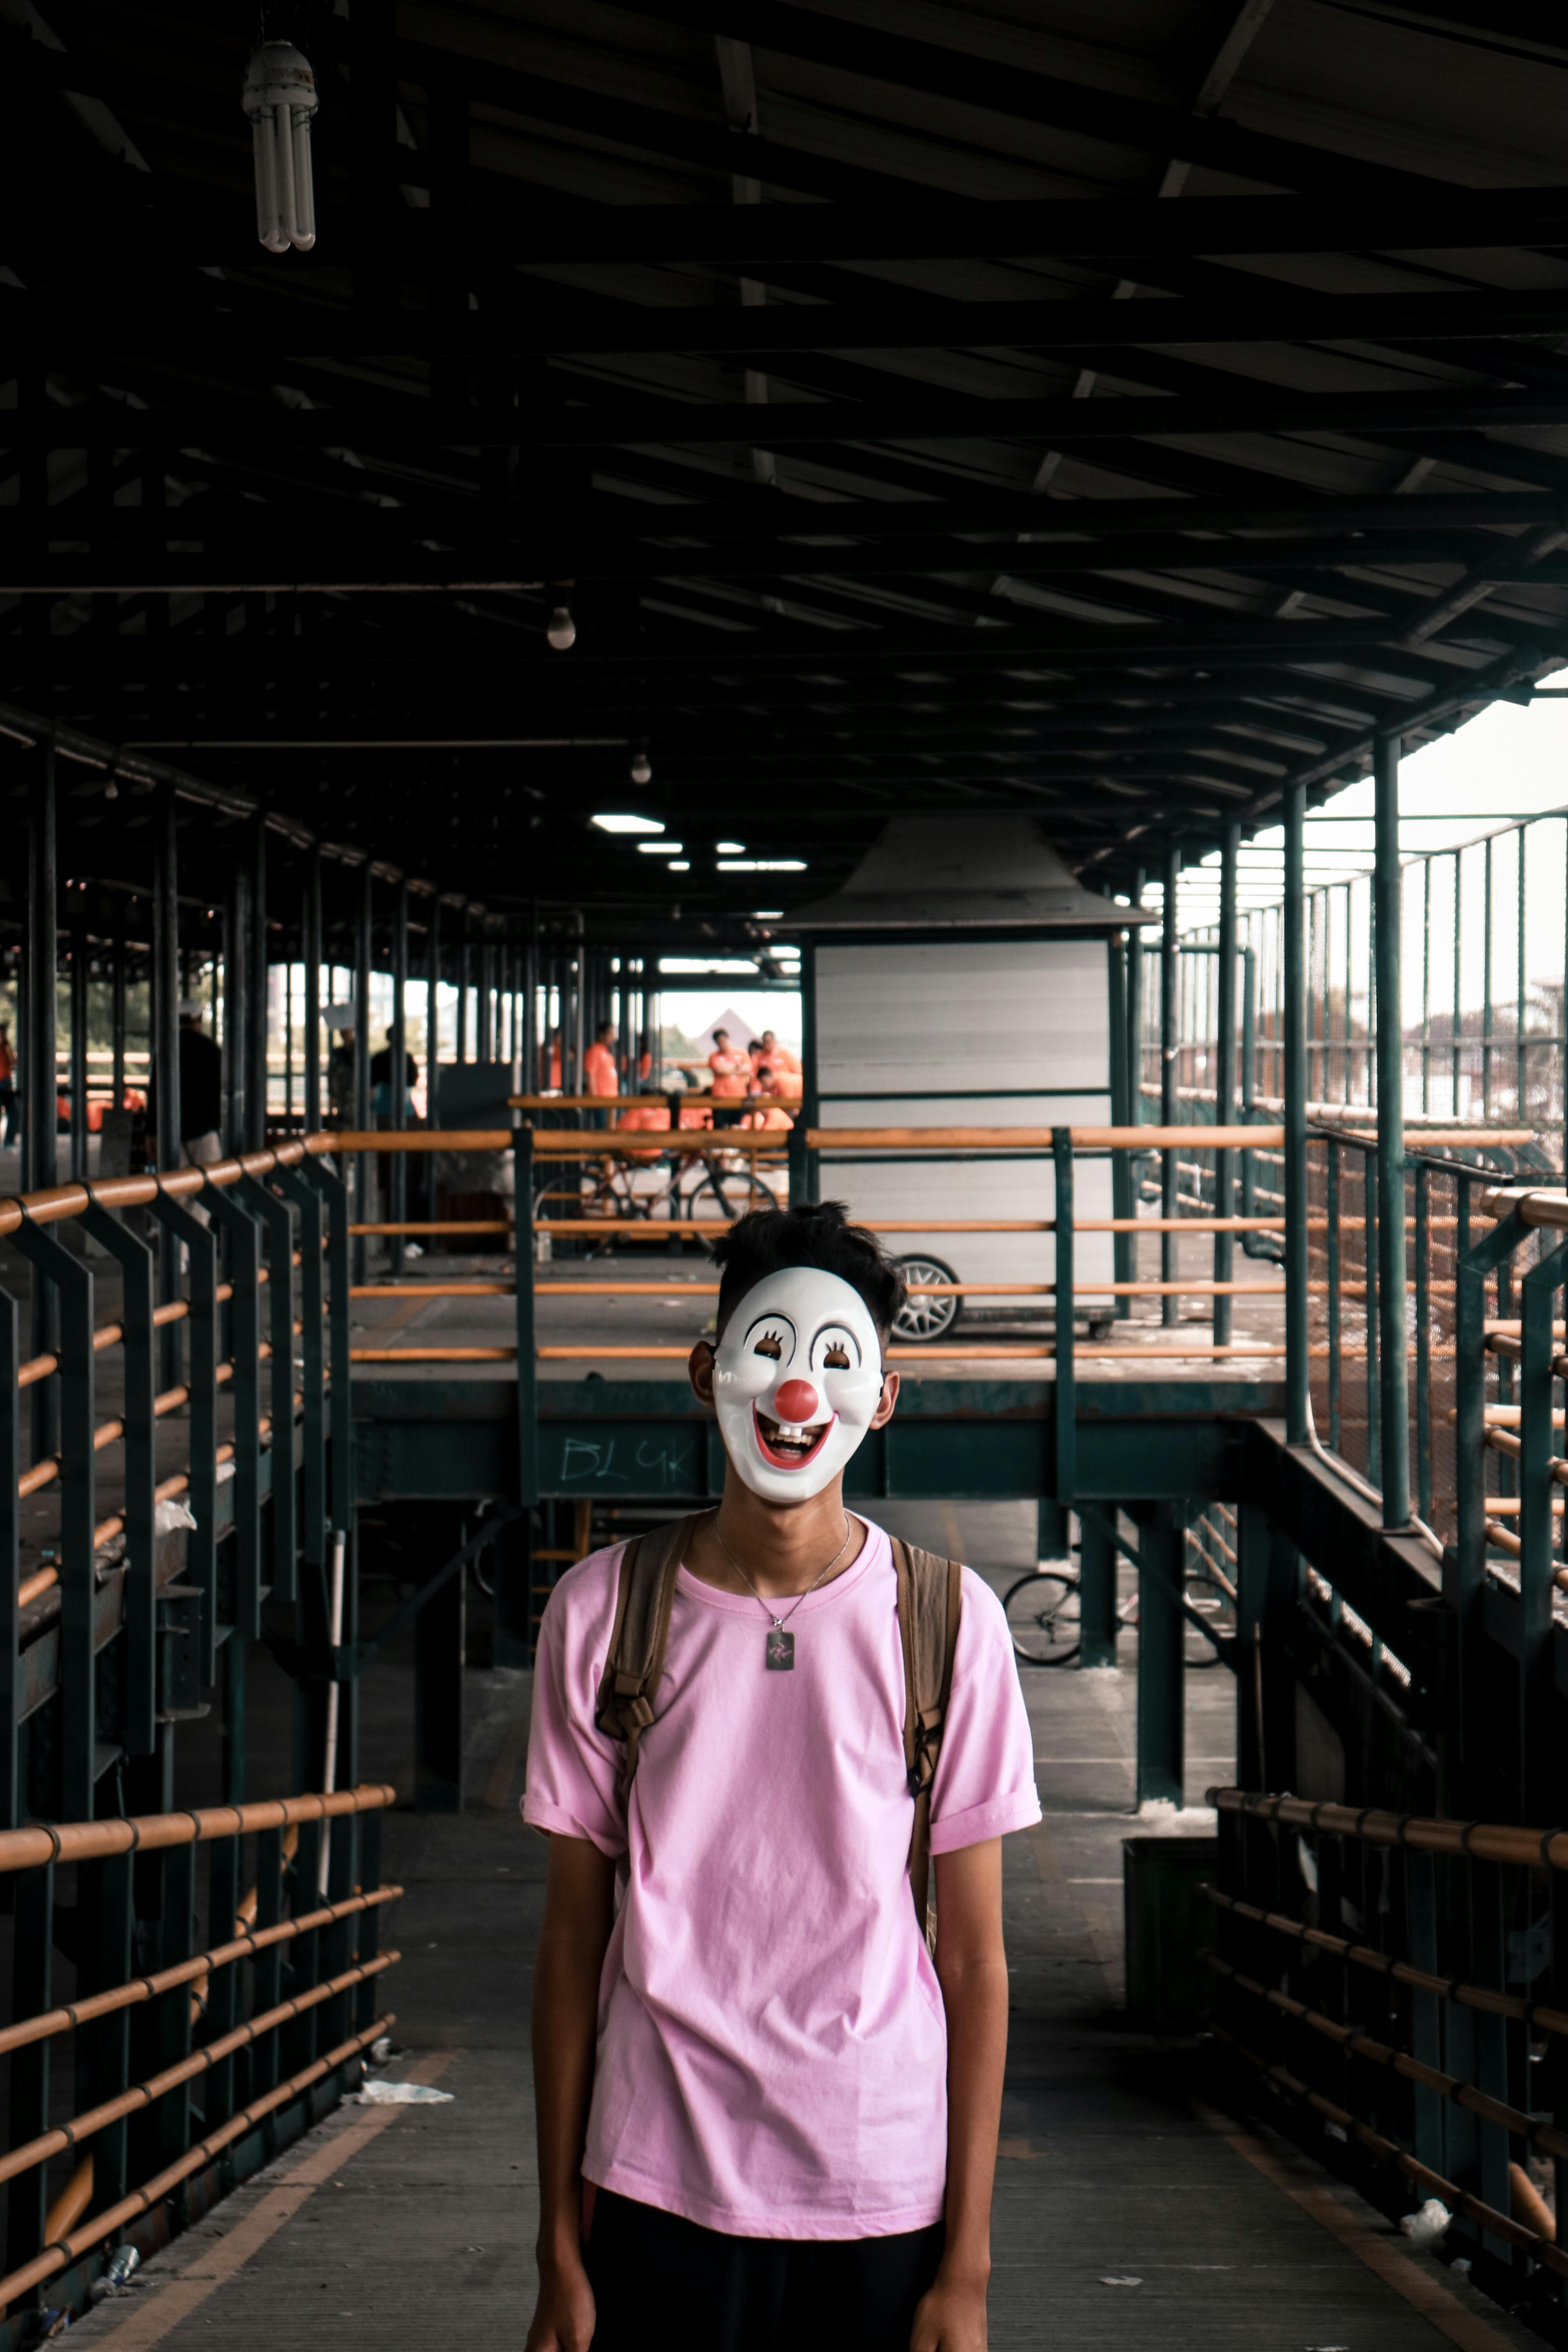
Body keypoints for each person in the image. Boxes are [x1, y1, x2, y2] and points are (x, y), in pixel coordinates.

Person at [523, 1201, 1039, 2352]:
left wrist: (968, 2260)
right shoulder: (602, 1611)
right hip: (652, 2178)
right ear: (707, 1372)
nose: (795, 1392)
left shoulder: (954, 1624)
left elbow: (972, 1955)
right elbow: (569, 1938)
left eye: (836, 1360)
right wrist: (558, 2242)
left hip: (881, 2188)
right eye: (765, 1349)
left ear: (883, 1396)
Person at [145, 998, 224, 1169]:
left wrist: (151, 1132)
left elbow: (154, 1094)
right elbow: (223, 1093)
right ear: (199, 1019)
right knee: (212, 1192)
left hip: (173, 1135)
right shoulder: (211, 1050)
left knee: (178, 1191)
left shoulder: (165, 1050)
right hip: (206, 1132)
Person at [705, 1025, 752, 1131]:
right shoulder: (714, 1056)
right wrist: (736, 1067)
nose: (723, 1044)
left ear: (729, 1039)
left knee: (737, 1127)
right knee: (721, 1128)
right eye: (719, 1042)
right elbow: (719, 1070)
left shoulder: (742, 1053)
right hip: (721, 1097)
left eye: (724, 1041)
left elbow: (748, 1069)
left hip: (739, 1096)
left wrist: (728, 1068)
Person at [370, 1027, 419, 1123]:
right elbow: (413, 1081)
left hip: (382, 1105)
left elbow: (371, 1082)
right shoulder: (407, 1058)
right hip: (404, 1104)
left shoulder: (379, 1058)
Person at [325, 1005, 356, 1124]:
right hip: (343, 1095)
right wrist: (332, 1093)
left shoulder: (359, 1052)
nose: (344, 1033)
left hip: (353, 1095)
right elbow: (332, 1074)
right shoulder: (338, 1053)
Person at [584, 1022, 620, 1099]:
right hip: (601, 1099)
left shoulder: (606, 1052)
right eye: (610, 1034)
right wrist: (595, 1099)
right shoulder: (595, 1051)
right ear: (602, 1035)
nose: (612, 1038)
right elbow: (590, 1074)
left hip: (610, 1099)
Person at [0, 1022, 15, 1147]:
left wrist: (6, 1044)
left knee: (14, 1113)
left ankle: (9, 1141)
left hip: (6, 1084)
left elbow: (13, 1062)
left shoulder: (6, 1048)